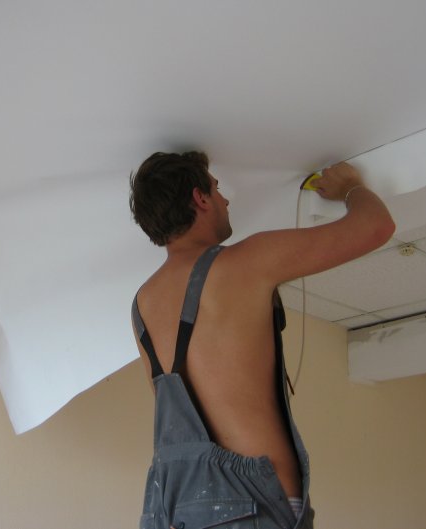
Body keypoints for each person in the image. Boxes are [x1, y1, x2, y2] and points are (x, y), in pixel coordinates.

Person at [129, 151, 395, 529]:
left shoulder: (143, 303)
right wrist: (350, 187)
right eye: (217, 189)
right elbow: (375, 227)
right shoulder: (242, 262)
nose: (225, 200)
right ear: (200, 199)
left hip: (172, 510)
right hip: (250, 509)